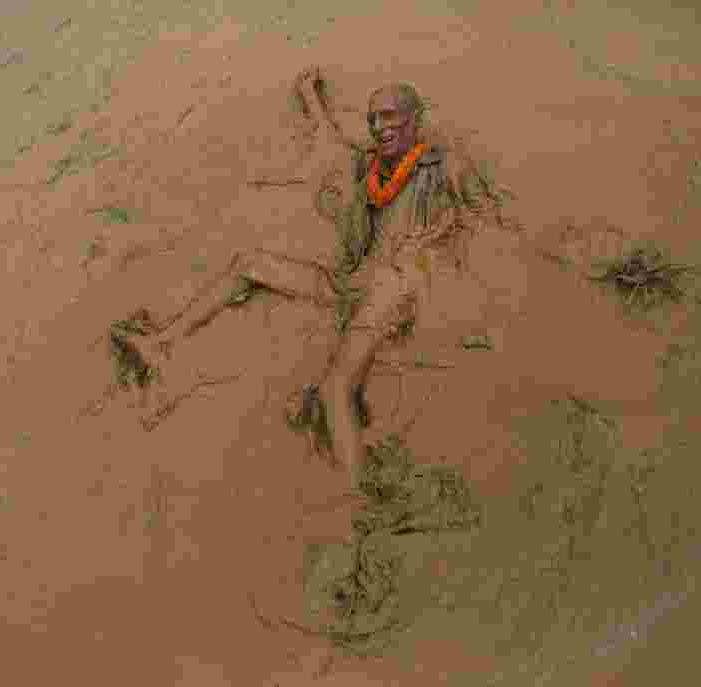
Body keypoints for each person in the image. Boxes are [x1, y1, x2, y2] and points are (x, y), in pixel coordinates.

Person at [119, 67, 512, 490]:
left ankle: (355, 502)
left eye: (389, 116)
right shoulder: (369, 165)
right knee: (249, 263)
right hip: (351, 284)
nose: (379, 126)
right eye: (373, 119)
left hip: (394, 294)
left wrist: (443, 249)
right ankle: (159, 343)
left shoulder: (446, 167)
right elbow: (332, 139)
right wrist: (310, 97)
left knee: (334, 390)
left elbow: (493, 227)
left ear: (416, 118)